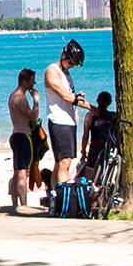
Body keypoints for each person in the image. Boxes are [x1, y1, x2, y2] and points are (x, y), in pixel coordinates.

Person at [42, 41, 85, 192]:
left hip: (69, 121)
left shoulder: (66, 74)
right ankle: (65, 195)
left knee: (60, 162)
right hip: (59, 121)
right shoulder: (52, 71)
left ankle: (56, 197)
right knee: (64, 163)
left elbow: (70, 96)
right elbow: (65, 96)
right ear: (64, 55)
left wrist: (77, 98)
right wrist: (90, 107)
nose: (72, 66)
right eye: (71, 62)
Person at [7, 68, 41, 212]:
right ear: (25, 81)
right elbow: (33, 116)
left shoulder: (13, 96)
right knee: (22, 172)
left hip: (16, 134)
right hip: (23, 135)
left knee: (17, 170)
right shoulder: (20, 97)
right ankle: (23, 204)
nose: (33, 84)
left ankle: (15, 202)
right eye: (32, 81)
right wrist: (36, 101)